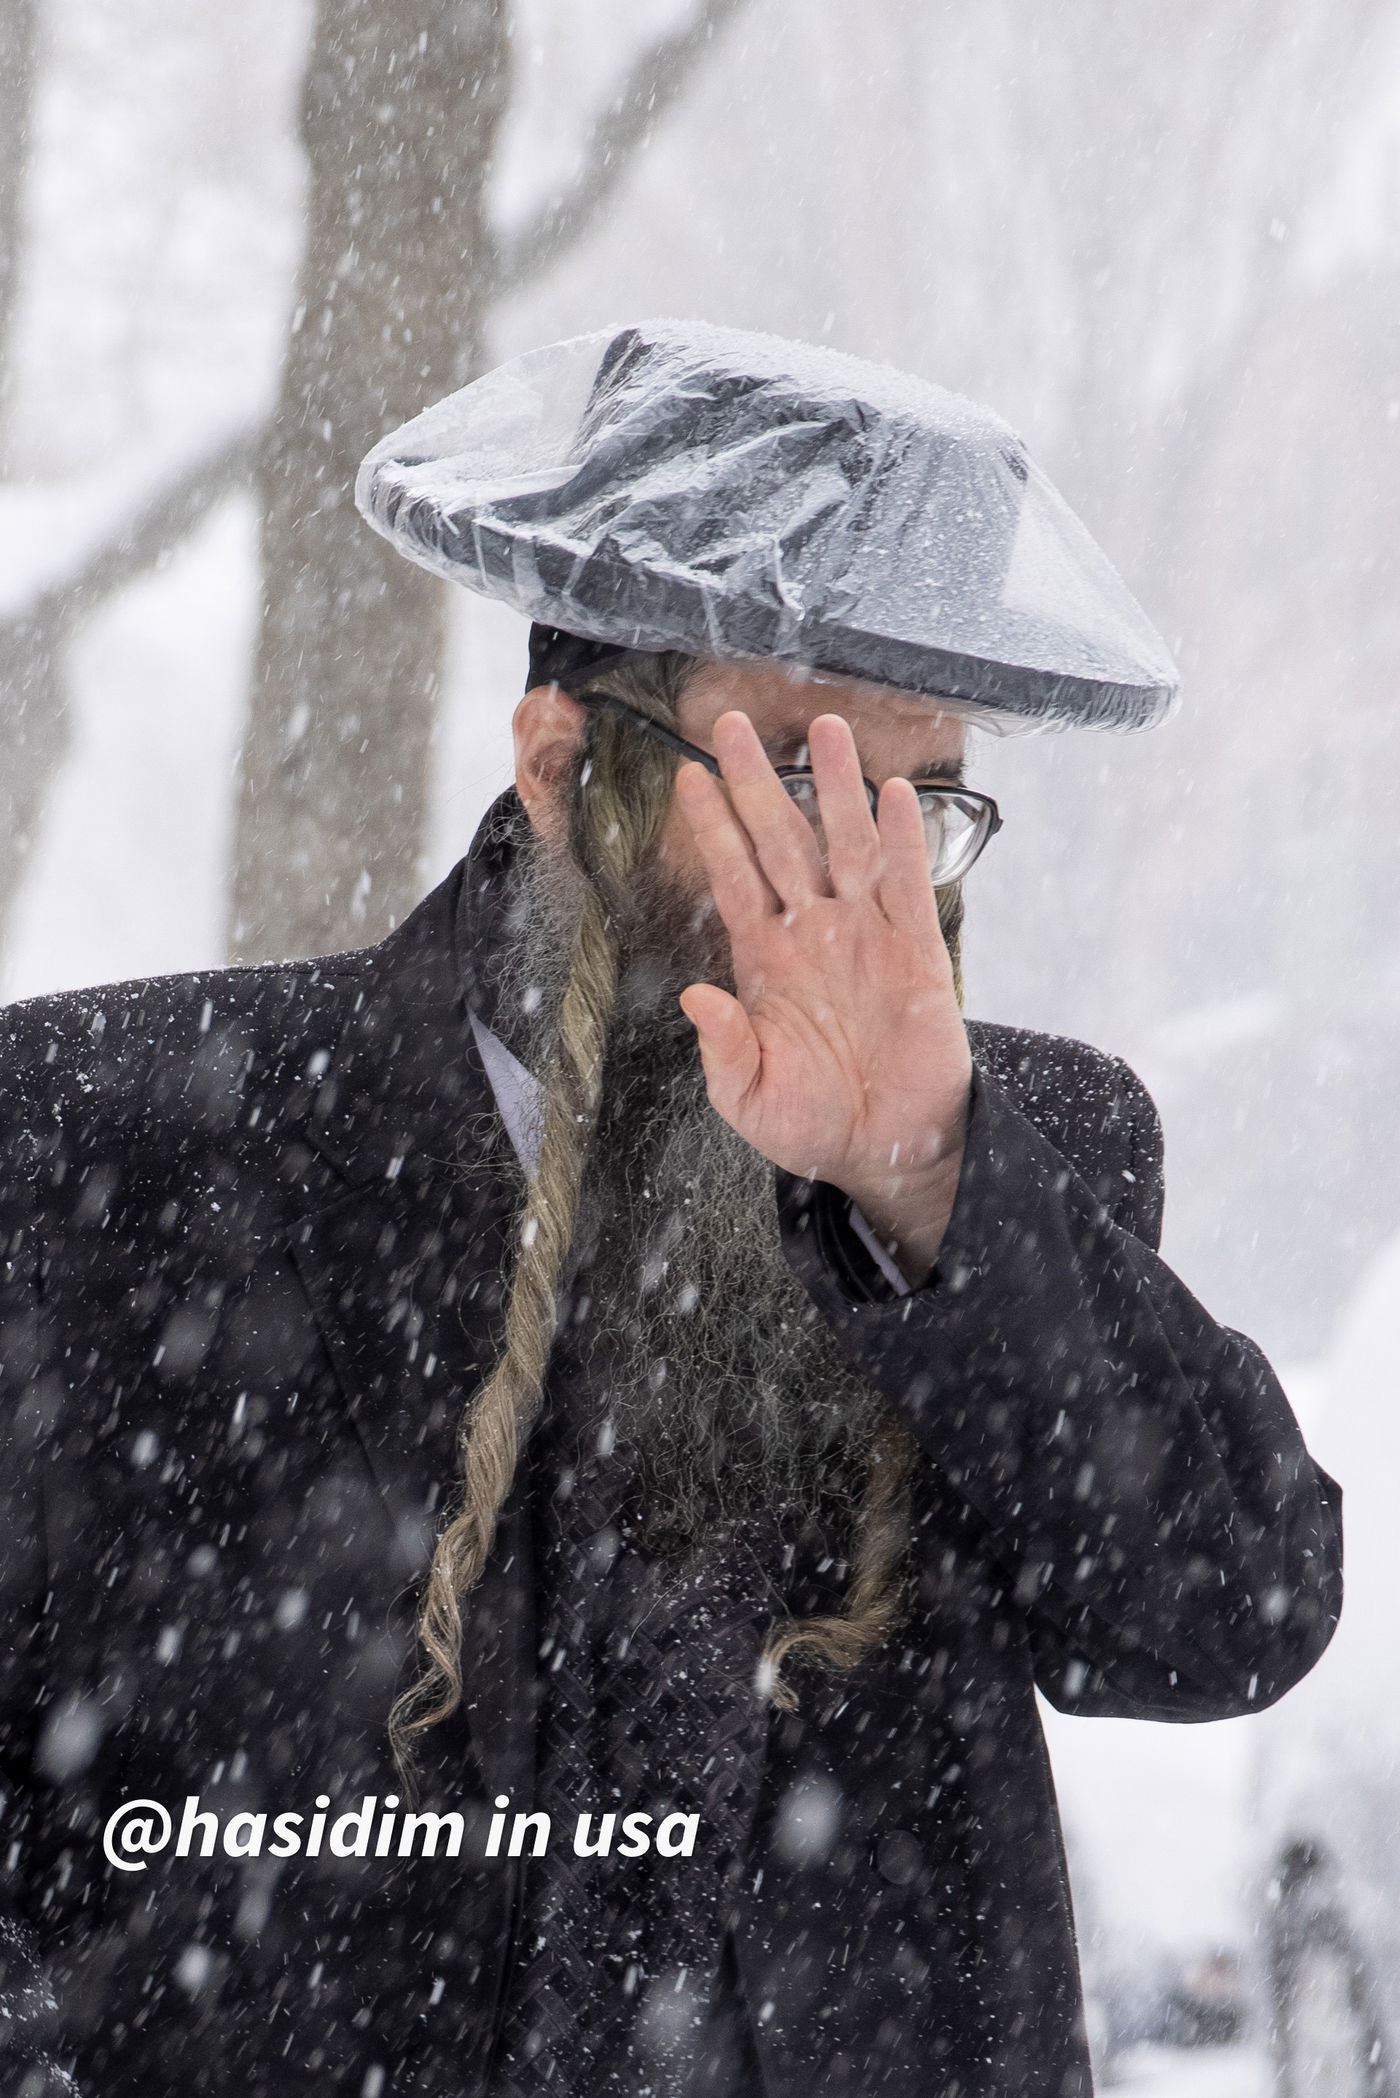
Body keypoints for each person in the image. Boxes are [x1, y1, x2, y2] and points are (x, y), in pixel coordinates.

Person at [0, 322, 1340, 2098]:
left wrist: (924, 1169)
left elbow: (1224, 1612)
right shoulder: (123, 1143)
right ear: (562, 764)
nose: (861, 873)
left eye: (919, 799)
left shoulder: (1032, 1156)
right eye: (795, 776)